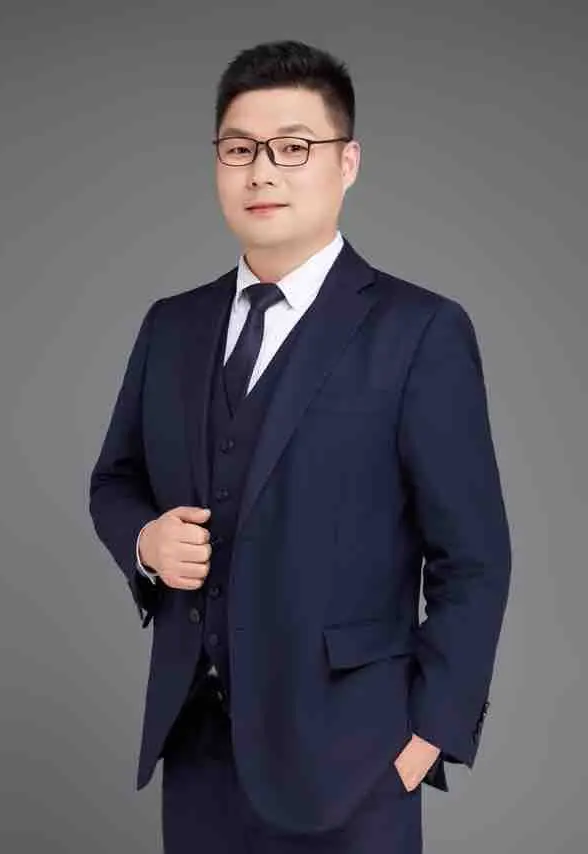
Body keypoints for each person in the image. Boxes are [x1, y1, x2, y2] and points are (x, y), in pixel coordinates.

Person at [89, 39, 511, 854]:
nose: (262, 172)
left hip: (355, 757)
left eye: (292, 148)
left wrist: (432, 731)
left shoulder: (419, 331)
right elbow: (115, 479)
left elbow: (475, 556)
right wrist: (144, 540)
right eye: (239, 150)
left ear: (347, 163)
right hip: (197, 745)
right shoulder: (171, 326)